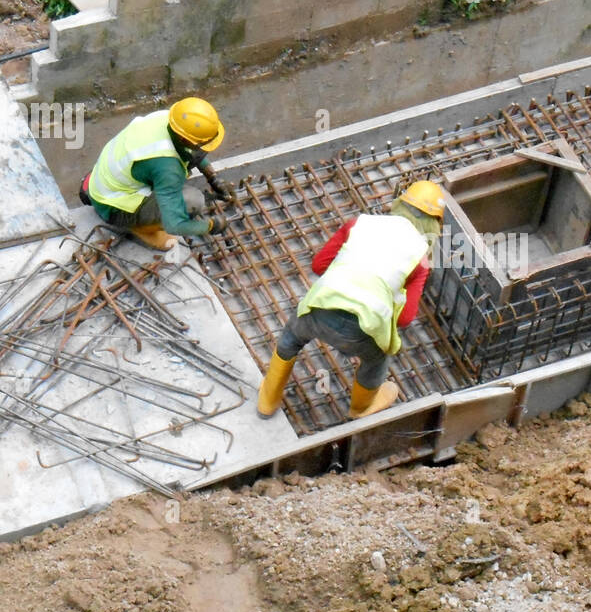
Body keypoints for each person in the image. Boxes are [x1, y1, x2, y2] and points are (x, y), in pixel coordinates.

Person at [258, 180, 446, 421]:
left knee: (290, 338)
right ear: (435, 224)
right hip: (362, 332)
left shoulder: (361, 223)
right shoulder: (420, 258)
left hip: (319, 309)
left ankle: (267, 400)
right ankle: (360, 408)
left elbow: (319, 265)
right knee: (378, 358)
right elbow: (406, 318)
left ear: (400, 203)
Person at [80, 97, 225, 251]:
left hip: (107, 175)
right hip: (113, 206)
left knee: (192, 154)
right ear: (184, 138)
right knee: (192, 201)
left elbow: (196, 151)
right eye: (200, 143)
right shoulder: (167, 167)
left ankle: (94, 187)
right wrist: (211, 226)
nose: (203, 147)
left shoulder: (169, 119)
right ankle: (140, 227)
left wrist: (213, 178)